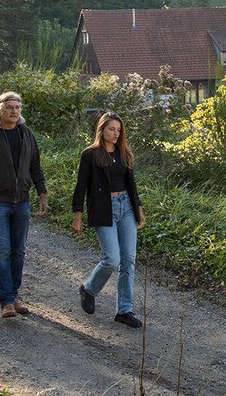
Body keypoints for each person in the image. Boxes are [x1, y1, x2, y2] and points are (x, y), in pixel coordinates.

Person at [0, 91, 49, 318]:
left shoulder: (26, 134)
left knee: (18, 251)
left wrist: (42, 194)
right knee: (2, 250)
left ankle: (14, 295)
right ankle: (5, 300)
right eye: (10, 108)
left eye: (17, 108)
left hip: (22, 202)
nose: (14, 112)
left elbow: (36, 167)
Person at [72, 112, 146, 328]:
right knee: (112, 259)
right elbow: (80, 187)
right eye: (112, 129)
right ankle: (89, 289)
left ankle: (124, 310)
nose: (116, 133)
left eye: (119, 130)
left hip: (127, 208)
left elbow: (131, 185)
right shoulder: (90, 155)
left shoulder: (124, 153)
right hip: (104, 208)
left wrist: (138, 209)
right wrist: (78, 215)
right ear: (102, 129)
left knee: (129, 259)